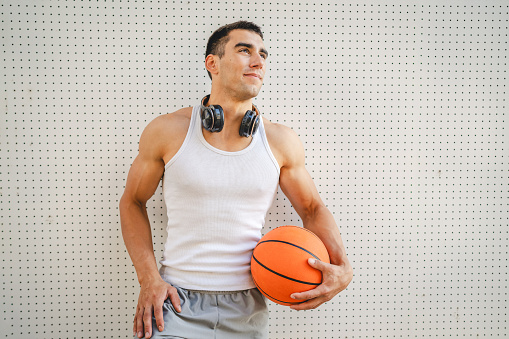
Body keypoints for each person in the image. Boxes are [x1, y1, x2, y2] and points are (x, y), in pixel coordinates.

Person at [119, 20, 353, 339]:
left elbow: (312, 207)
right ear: (212, 63)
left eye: (263, 54)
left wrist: (342, 267)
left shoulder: (280, 140)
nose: (258, 61)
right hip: (174, 302)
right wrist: (149, 279)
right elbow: (133, 201)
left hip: (248, 308)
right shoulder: (168, 131)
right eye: (244, 51)